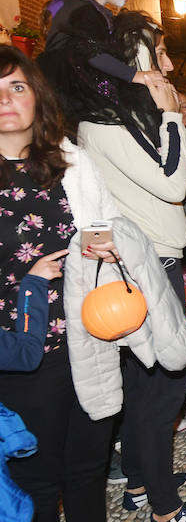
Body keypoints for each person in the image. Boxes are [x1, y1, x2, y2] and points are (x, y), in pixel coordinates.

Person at [77, 11, 186, 522]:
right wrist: (171, 117)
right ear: (131, 58)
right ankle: (165, 508)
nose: (167, 64)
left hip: (158, 258)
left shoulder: (122, 119)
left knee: (152, 385)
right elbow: (170, 185)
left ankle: (141, 483)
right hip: (143, 269)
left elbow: (166, 172)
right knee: (161, 392)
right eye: (157, 53)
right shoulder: (102, 122)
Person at [0, 44, 120, 521]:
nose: (6, 100)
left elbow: (104, 221)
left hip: (88, 337)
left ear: (36, 97)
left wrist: (106, 245)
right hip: (22, 355)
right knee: (37, 480)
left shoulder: (71, 163)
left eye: (17, 86)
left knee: (90, 470)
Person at [36, 0, 165, 139]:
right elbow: (93, 53)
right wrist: (136, 75)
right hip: (72, 87)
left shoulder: (84, 8)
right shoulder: (82, 10)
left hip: (74, 82)